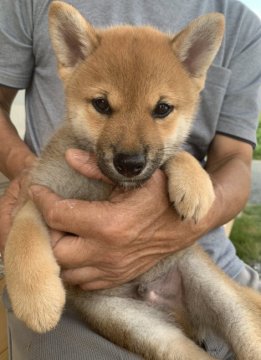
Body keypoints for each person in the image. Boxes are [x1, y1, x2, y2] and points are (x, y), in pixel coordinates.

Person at [0, 0, 260, 359]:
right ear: (71, 59)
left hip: (187, 255)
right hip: (86, 283)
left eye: (161, 109)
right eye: (103, 106)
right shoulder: (29, 5)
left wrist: (183, 168)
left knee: (244, 324)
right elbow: (37, 205)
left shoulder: (242, 25)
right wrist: (27, 228)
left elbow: (234, 159)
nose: (131, 148)